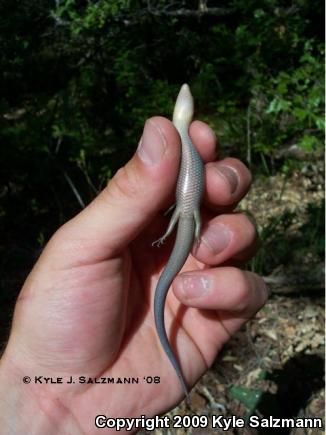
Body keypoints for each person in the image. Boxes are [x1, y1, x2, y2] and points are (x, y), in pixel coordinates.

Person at [0, 116, 267, 434]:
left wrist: (43, 403)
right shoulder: (182, 142)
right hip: (186, 210)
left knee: (203, 218)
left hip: (186, 211)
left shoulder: (186, 143)